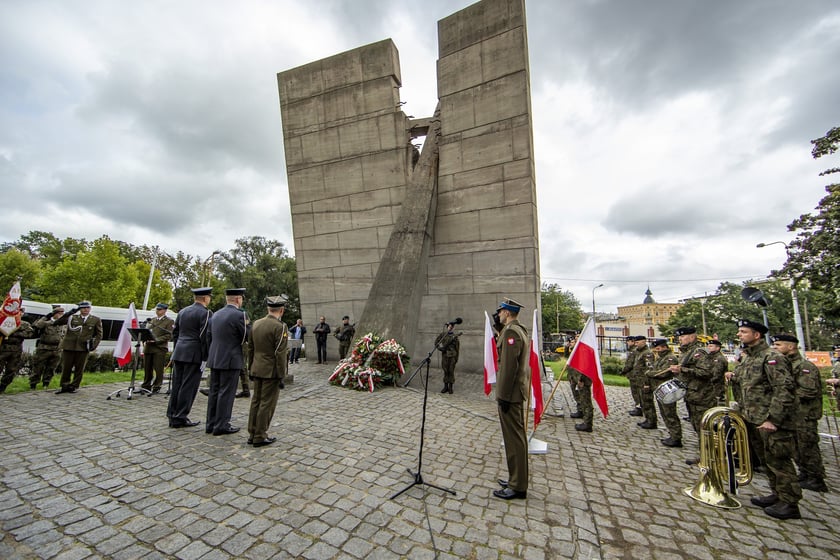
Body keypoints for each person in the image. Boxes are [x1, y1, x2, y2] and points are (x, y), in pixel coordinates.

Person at [726, 319, 801, 520]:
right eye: (739, 331)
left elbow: (784, 390)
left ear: (756, 335)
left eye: (743, 331)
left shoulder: (772, 357)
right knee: (766, 460)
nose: (739, 335)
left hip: (770, 420)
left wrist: (773, 419)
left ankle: (790, 503)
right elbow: (747, 382)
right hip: (753, 418)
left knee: (779, 461)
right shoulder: (749, 357)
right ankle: (777, 494)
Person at [772, 333, 828, 492]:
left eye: (778, 345)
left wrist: (784, 396)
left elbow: (808, 391)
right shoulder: (786, 364)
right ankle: (805, 473)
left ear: (791, 346)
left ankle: (816, 478)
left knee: (807, 446)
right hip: (792, 414)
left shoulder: (804, 366)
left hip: (805, 415)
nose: (775, 348)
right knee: (796, 447)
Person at [492, 298, 530, 500]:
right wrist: (499, 328)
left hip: (511, 394)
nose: (498, 314)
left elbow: (508, 367)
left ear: (507, 312)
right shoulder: (517, 330)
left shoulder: (512, 333)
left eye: (500, 311)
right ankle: (515, 478)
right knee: (515, 438)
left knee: (514, 440)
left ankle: (518, 485)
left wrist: (504, 396)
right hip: (515, 392)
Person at [669, 326, 716, 465]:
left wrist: (682, 369)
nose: (680, 339)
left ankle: (709, 458)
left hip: (701, 395)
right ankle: (706, 456)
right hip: (691, 394)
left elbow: (706, 372)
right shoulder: (687, 352)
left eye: (683, 336)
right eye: (680, 337)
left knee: (704, 428)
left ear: (692, 337)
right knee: (697, 426)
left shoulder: (699, 352)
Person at [167, 287, 213, 429]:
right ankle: (180, 416)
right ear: (205, 298)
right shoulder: (206, 313)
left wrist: (176, 350)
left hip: (180, 351)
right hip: (194, 353)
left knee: (177, 385)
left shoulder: (183, 312)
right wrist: (205, 356)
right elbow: (205, 336)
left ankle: (172, 414)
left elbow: (175, 333)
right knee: (189, 386)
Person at [247, 296, 289, 447]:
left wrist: (250, 368)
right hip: (271, 371)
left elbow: (250, 348)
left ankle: (252, 433)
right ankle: (260, 435)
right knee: (267, 403)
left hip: (256, 368)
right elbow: (280, 353)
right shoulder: (280, 327)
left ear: (268, 309)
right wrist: (281, 374)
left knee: (256, 401)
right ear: (281, 310)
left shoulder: (256, 324)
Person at [205, 288, 248, 436]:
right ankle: (222, 425)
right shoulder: (240, 315)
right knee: (227, 393)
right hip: (231, 358)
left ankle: (210, 424)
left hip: (215, 357)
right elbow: (246, 335)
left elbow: (208, 337)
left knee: (214, 391)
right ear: (238, 299)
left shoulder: (215, 314)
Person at [54, 301, 103, 394]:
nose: (85, 310)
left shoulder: (95, 319)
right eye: (83, 308)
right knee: (66, 367)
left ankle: (74, 385)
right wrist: (69, 313)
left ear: (90, 309)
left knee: (79, 368)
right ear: (80, 309)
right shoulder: (72, 317)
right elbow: (58, 322)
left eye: (87, 308)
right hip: (69, 346)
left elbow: (99, 334)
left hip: (83, 347)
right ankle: (64, 385)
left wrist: (93, 346)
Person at [644, 338, 681, 447]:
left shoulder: (670, 358)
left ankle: (676, 437)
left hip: (667, 389)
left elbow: (663, 373)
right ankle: (672, 435)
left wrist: (649, 373)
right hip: (660, 389)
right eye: (656, 349)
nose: (657, 351)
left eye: (659, 348)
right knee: (664, 413)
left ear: (665, 347)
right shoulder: (660, 357)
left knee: (670, 414)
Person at [29, 305, 67, 389]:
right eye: (59, 313)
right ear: (54, 314)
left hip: (57, 349)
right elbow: (37, 325)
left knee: (51, 368)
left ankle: (46, 383)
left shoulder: (63, 325)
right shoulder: (47, 323)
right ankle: (33, 384)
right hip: (44, 348)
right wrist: (46, 317)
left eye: (62, 314)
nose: (61, 315)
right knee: (38, 367)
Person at [141, 303, 175, 394]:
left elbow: (169, 335)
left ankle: (157, 386)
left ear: (165, 310)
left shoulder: (169, 321)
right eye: (157, 309)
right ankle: (146, 385)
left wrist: (156, 340)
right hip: (148, 347)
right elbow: (147, 331)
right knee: (147, 368)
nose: (158, 311)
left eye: (160, 309)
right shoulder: (152, 320)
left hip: (159, 348)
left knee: (158, 368)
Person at [0, 313, 36, 393]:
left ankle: (3, 387)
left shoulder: (24, 324)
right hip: (3, 348)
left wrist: (14, 333)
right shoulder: (3, 321)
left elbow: (30, 334)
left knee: (11, 370)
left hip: (16, 350)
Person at [632, 336, 655, 429]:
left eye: (637, 342)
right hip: (639, 381)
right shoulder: (639, 352)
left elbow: (649, 369)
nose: (636, 344)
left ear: (643, 342)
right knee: (643, 402)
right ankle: (648, 419)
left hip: (644, 381)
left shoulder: (647, 353)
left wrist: (647, 383)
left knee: (647, 402)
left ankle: (651, 421)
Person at [435, 320, 460, 394]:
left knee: (451, 371)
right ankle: (445, 386)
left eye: (452, 327)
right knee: (445, 370)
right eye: (449, 326)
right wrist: (440, 348)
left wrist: (456, 358)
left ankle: (450, 387)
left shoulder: (455, 337)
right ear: (447, 327)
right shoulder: (443, 335)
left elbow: (457, 348)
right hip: (445, 355)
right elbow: (436, 342)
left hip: (452, 356)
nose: (450, 328)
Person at [622, 336, 642, 416]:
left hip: (634, 375)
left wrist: (624, 371)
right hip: (633, 374)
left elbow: (630, 363)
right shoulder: (632, 350)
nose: (627, 343)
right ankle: (638, 407)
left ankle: (639, 408)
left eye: (628, 341)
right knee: (636, 392)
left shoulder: (634, 351)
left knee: (636, 393)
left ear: (632, 341)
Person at [706, 339, 729, 405]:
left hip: (717, 387)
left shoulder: (719, 358)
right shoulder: (709, 357)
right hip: (710, 388)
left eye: (711, 346)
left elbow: (716, 375)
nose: (708, 347)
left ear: (718, 348)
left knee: (718, 404)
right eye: (708, 346)